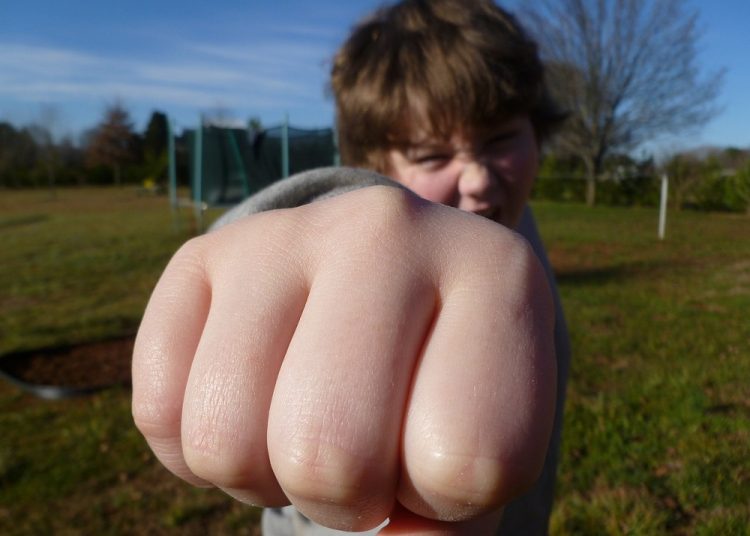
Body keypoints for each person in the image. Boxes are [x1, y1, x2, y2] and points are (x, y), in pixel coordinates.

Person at [132, 1, 570, 534]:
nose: (478, 178)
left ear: (536, 132)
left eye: (500, 139)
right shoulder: (389, 202)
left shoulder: (513, 226)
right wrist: (328, 213)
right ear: (377, 164)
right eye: (432, 155)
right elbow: (354, 217)